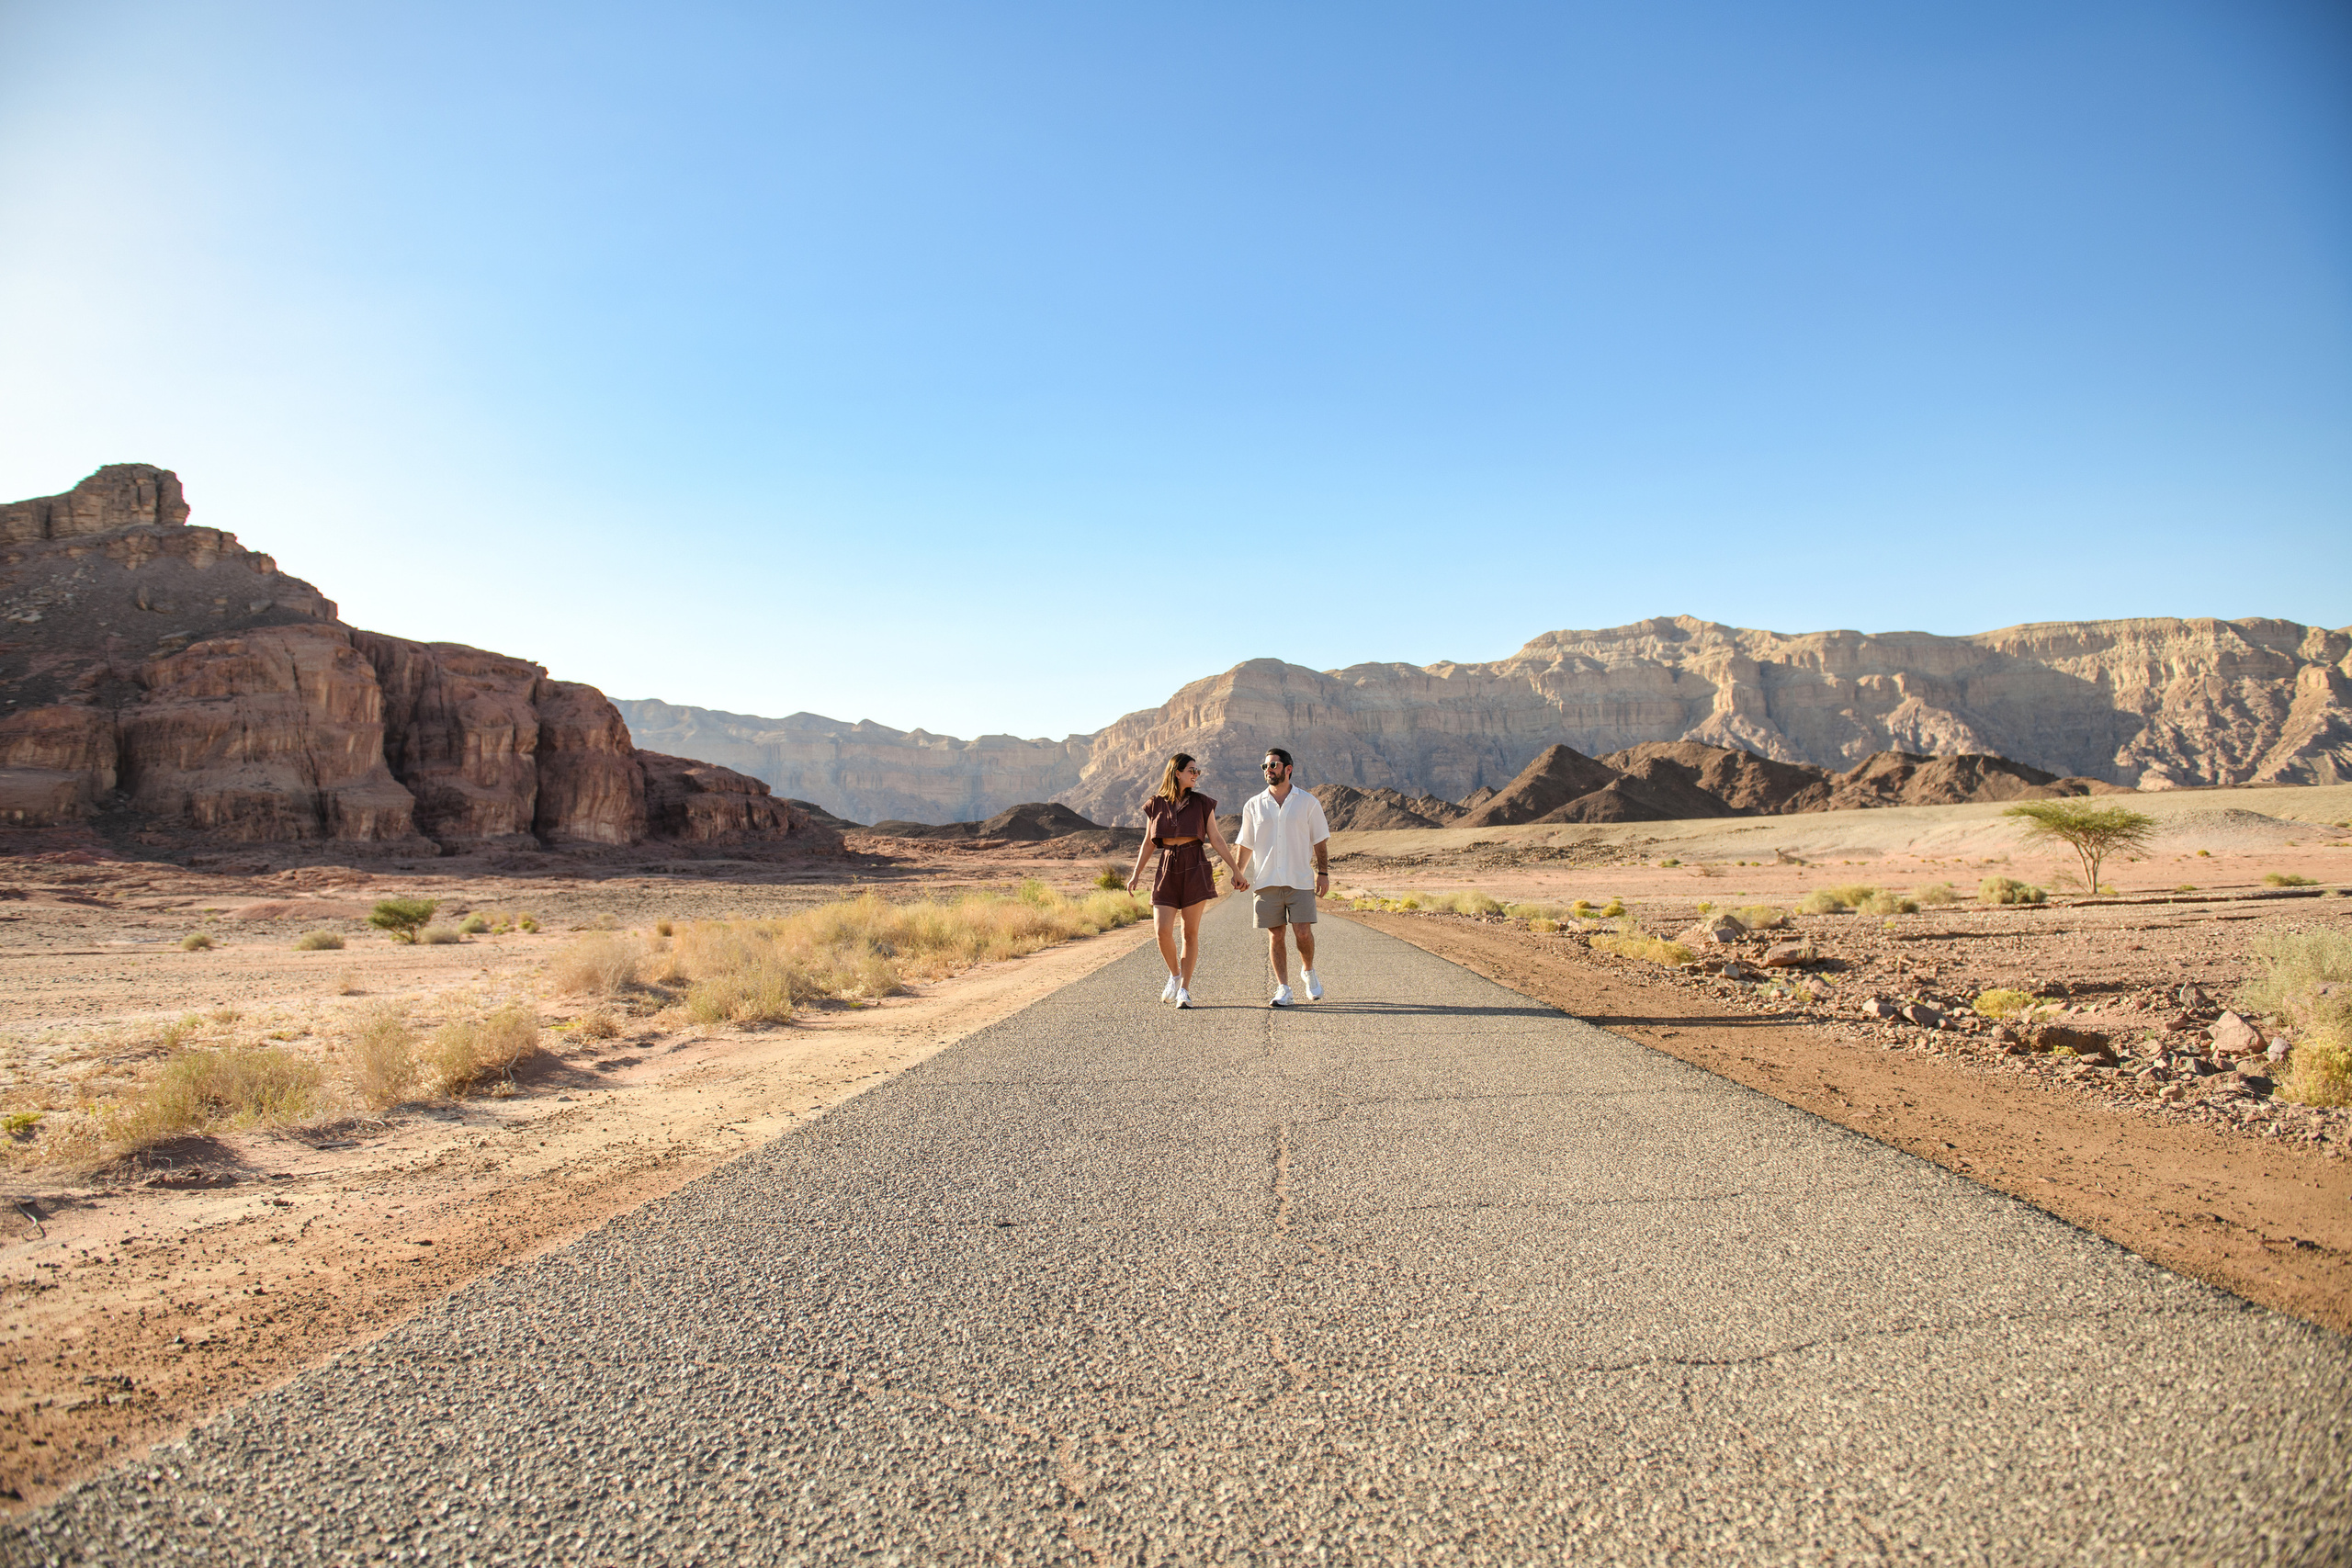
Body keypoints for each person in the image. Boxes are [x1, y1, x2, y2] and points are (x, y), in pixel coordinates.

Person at [1126, 752, 1247, 1009]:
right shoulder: (1155, 803)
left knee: (1189, 933)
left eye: (1197, 771)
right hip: (1167, 866)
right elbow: (1148, 842)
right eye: (1192, 770)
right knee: (1161, 931)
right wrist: (1136, 873)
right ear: (1177, 772)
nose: (1196, 775)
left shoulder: (1203, 803)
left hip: (1195, 864)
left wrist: (1236, 870)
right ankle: (1175, 974)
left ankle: (1185, 990)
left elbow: (1216, 838)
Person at [1233, 747, 1329, 1007]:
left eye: (1273, 765)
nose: (1268, 770)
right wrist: (1238, 872)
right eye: (1265, 766)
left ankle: (1308, 971)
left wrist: (1323, 873)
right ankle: (1283, 988)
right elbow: (1246, 844)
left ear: (1288, 769)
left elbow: (1320, 841)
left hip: (1300, 880)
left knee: (1302, 933)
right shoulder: (1253, 805)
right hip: (1266, 882)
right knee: (1276, 935)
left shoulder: (1308, 802)